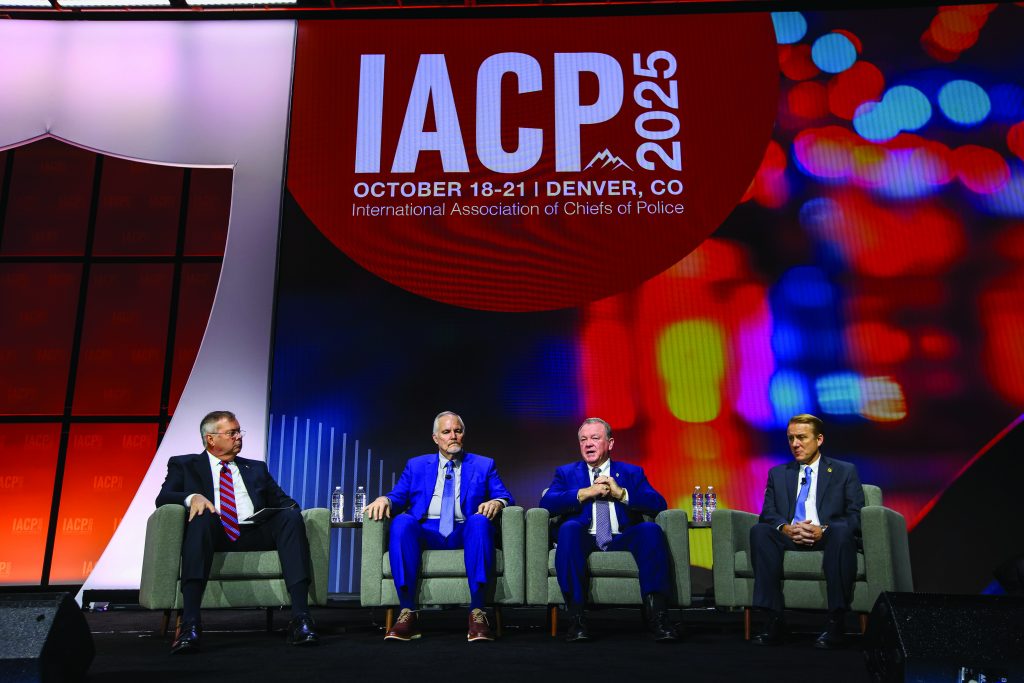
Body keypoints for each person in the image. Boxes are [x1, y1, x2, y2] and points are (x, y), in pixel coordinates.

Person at [156, 410, 319, 654]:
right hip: (213, 533)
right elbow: (163, 498)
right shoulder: (184, 464)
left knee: (290, 517)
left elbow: (286, 502)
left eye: (239, 432)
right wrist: (192, 497)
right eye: (232, 433)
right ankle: (190, 624)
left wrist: (287, 511)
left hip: (254, 532)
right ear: (211, 438)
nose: (239, 437)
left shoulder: (256, 468)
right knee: (201, 518)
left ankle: (300, 619)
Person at [363, 411, 513, 642]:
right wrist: (386, 499)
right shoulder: (416, 465)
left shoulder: (484, 464)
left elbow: (505, 496)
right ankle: (407, 612)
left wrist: (496, 501)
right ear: (436, 438)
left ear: (463, 434)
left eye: (458, 431)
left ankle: (478, 612)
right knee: (402, 521)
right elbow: (398, 495)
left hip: (465, 529)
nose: (453, 436)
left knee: (480, 521)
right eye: (446, 432)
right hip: (427, 530)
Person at [539, 417, 679, 643]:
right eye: (583, 439)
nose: (588, 444)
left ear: (610, 443)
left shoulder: (632, 472)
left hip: (620, 537)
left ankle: (658, 617)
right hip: (584, 537)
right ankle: (576, 619)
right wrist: (584, 493)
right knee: (570, 528)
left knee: (649, 531)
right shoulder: (566, 473)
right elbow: (546, 504)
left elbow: (658, 503)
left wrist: (621, 494)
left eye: (595, 438)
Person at [749, 413, 865, 649]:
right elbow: (768, 513)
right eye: (791, 438)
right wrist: (786, 528)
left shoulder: (844, 471)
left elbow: (855, 516)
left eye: (801, 437)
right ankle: (774, 619)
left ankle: (835, 621)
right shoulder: (778, 474)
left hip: (828, 536)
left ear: (819, 439)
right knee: (760, 531)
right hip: (790, 536)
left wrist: (822, 529)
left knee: (842, 533)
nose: (795, 444)